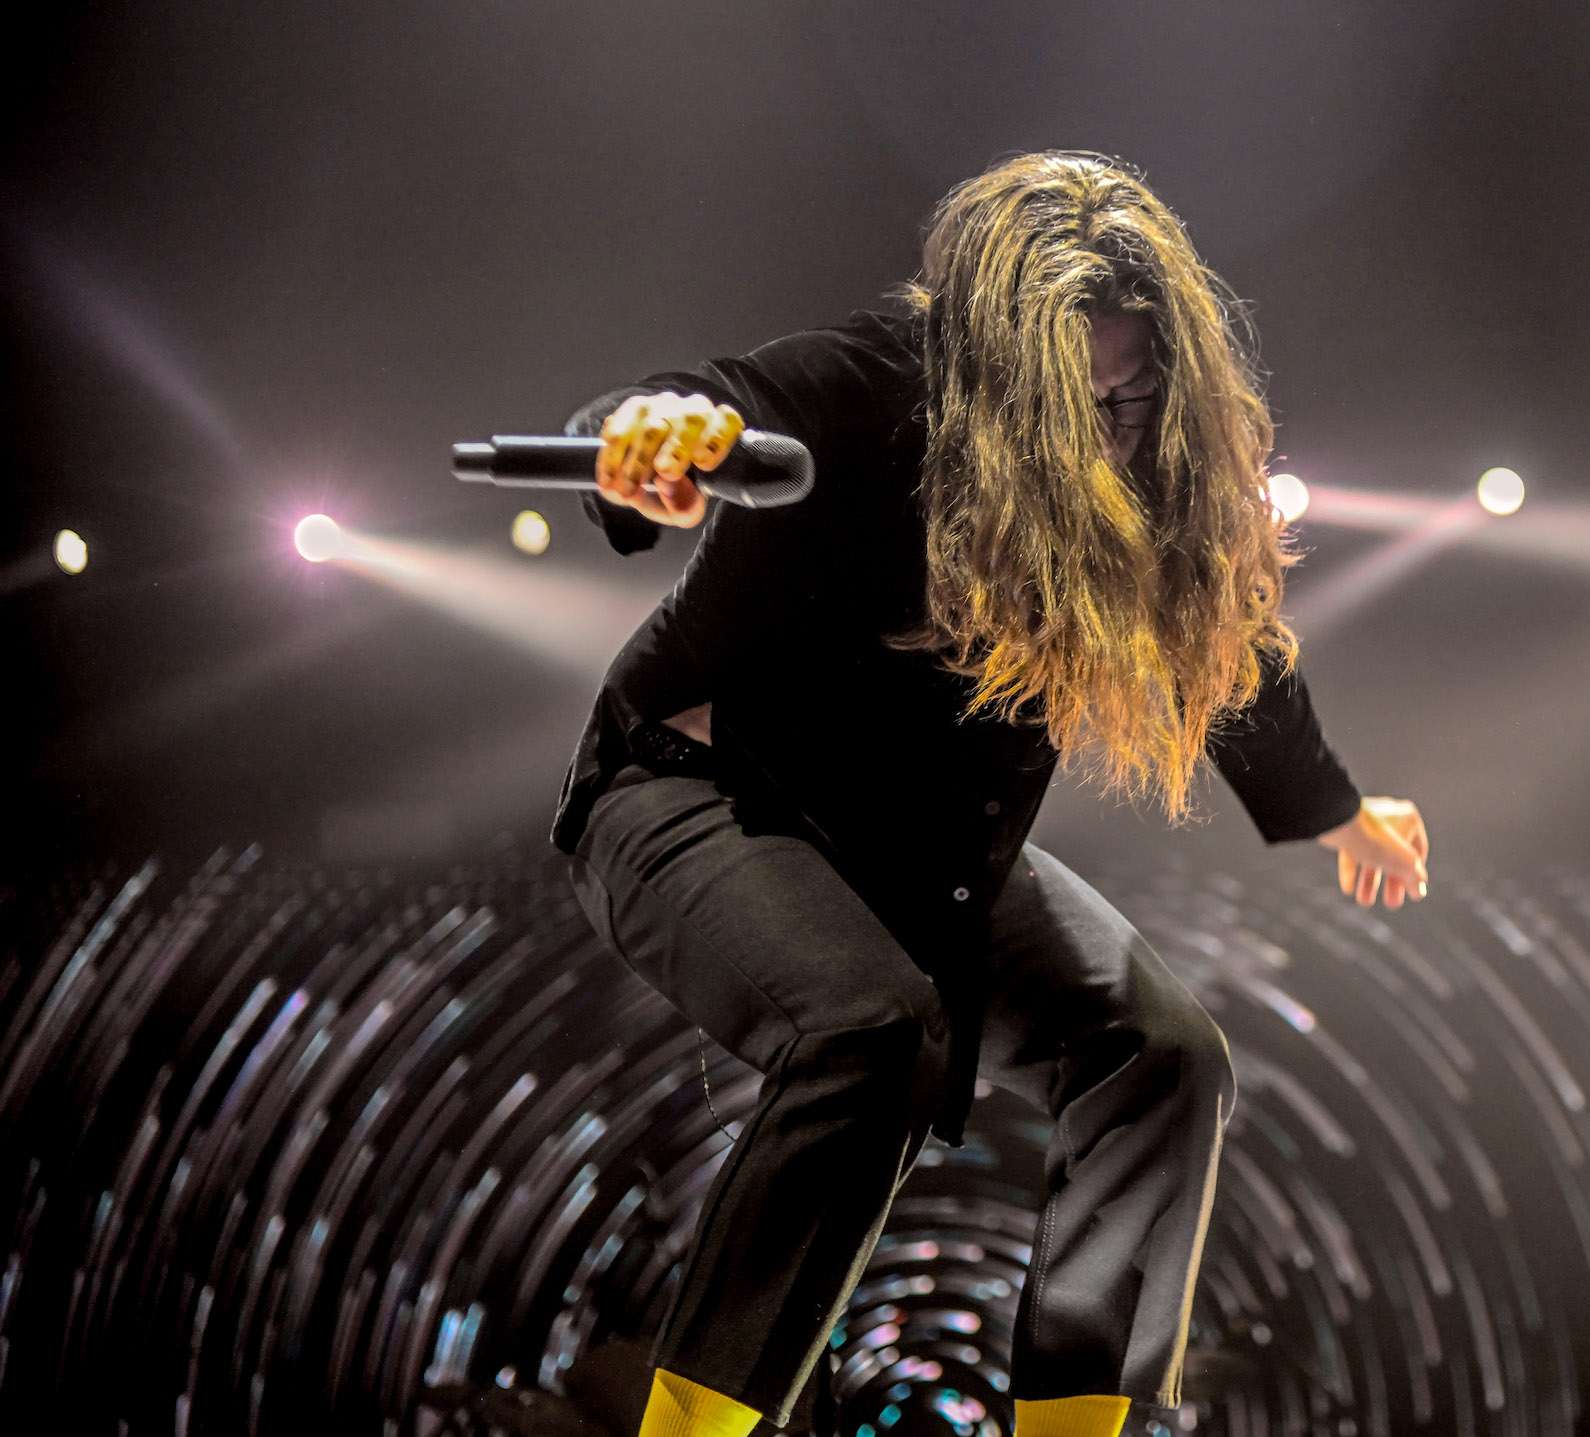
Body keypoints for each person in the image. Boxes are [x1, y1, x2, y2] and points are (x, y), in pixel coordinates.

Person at [554, 150, 1430, 1437]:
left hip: (910, 842)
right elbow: (717, 398)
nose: (1107, 430)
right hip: (695, 794)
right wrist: (643, 438)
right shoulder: (873, 387)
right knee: (872, 1034)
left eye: (1131, 394)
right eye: (1077, 401)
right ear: (999, 372)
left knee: (1162, 1058)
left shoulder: (1152, 471)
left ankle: (1073, 1427)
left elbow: (1229, 655)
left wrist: (1341, 814)